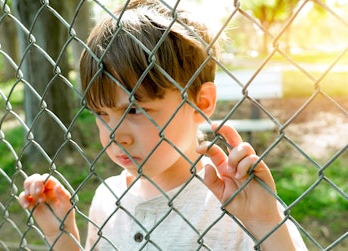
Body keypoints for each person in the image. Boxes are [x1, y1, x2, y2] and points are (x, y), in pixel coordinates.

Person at [18, 0, 307, 250]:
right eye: (101, 113)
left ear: (200, 102)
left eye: (134, 109)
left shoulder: (238, 205)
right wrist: (61, 235)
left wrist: (266, 223)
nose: (116, 136)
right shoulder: (107, 198)